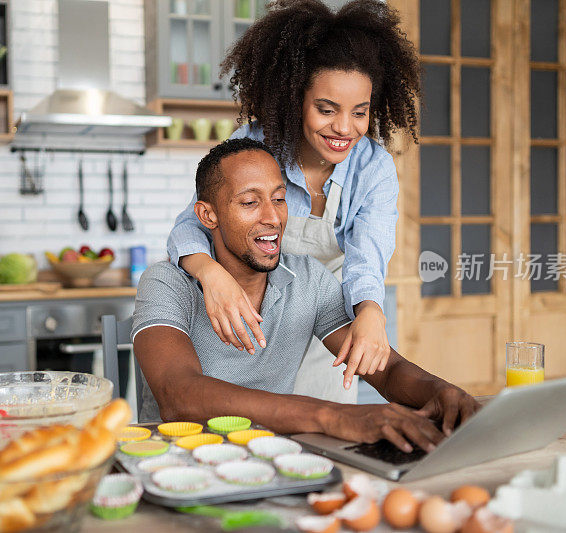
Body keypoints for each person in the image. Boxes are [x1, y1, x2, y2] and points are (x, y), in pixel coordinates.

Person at [134, 139, 479, 452]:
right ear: (208, 215)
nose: (272, 217)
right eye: (250, 202)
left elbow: (384, 370)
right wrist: (333, 416)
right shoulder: (166, 282)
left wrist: (439, 391)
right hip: (179, 461)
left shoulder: (308, 279)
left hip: (273, 456)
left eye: (280, 199)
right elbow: (178, 394)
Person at [166, 0, 422, 403]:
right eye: (326, 109)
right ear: (295, 99)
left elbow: (367, 257)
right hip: (250, 318)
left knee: (320, 431)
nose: (344, 128)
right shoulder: (253, 146)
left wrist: (371, 310)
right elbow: (189, 226)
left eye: (360, 112)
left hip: (326, 321)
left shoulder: (373, 168)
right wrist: (211, 276)